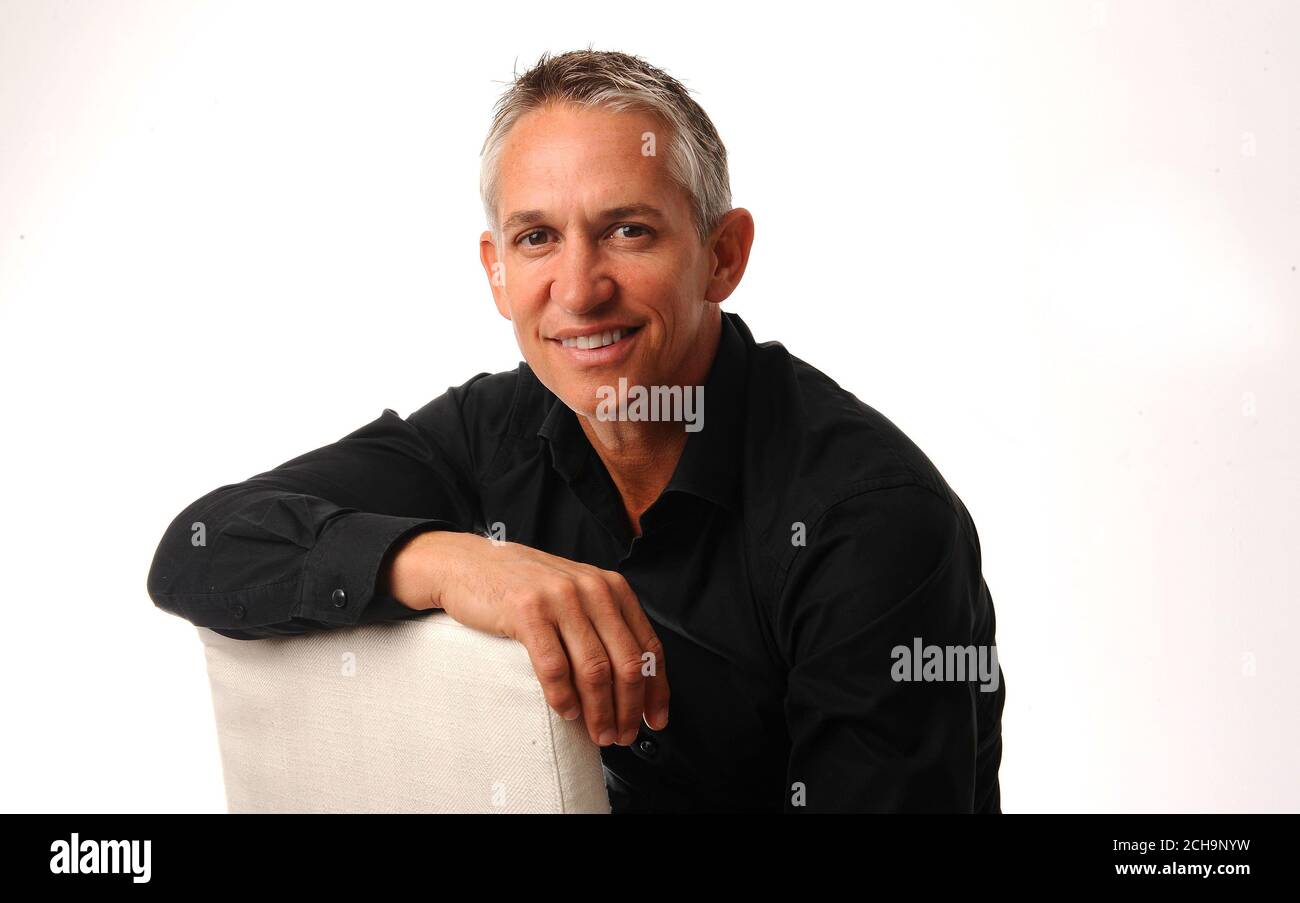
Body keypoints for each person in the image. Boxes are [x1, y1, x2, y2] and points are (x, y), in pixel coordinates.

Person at [146, 48, 1005, 813]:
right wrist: (454, 564)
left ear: (723, 255)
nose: (579, 288)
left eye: (628, 230)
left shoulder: (871, 518)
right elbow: (200, 548)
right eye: (537, 238)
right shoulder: (490, 431)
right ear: (495, 271)